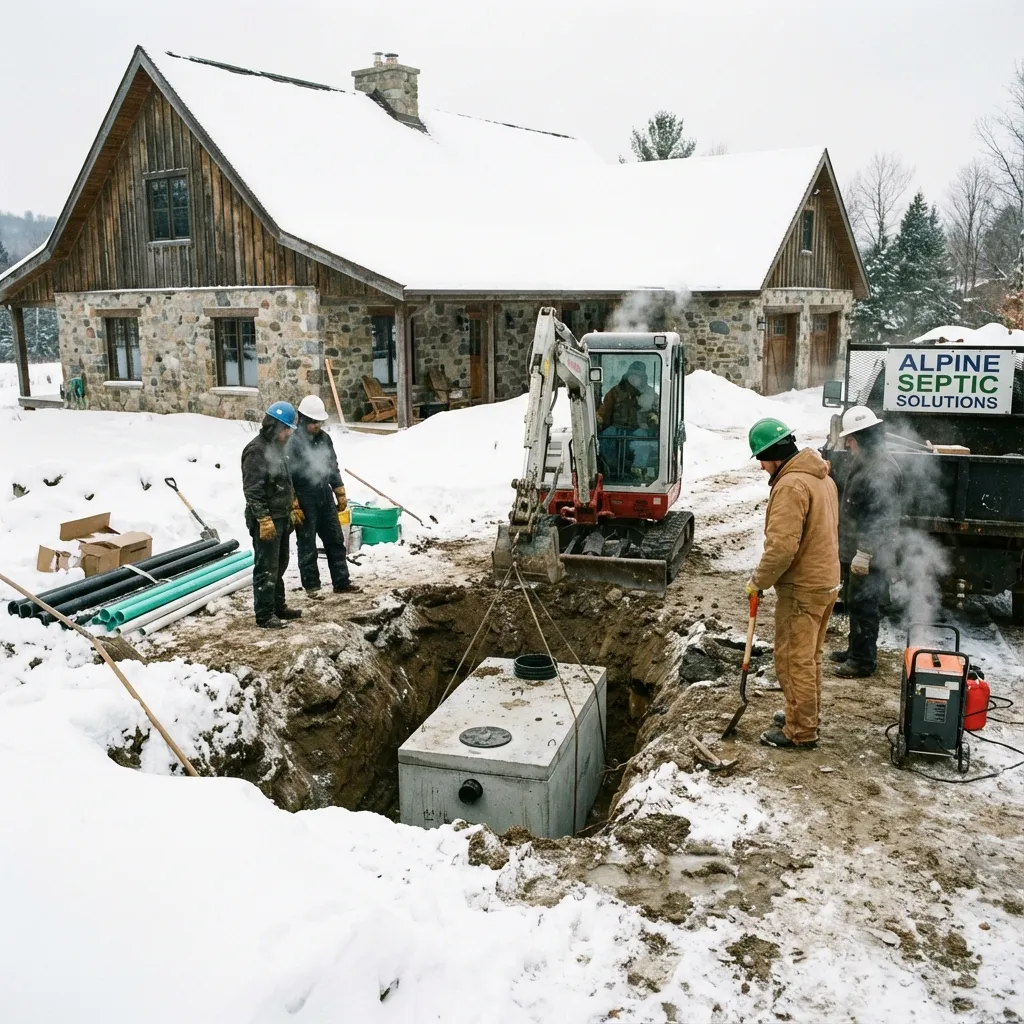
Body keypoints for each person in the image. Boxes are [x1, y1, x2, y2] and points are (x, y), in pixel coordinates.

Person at [746, 417, 840, 749]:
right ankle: (800, 714)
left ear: (774, 454)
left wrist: (758, 582)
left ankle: (800, 730)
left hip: (802, 587)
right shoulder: (822, 478)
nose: (761, 467)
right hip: (825, 582)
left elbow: (782, 547)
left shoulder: (791, 485)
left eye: (761, 458)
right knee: (809, 657)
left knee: (792, 658)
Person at [832, 405, 903, 678]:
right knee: (854, 600)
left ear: (861, 437)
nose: (847, 443)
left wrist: (865, 551)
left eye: (849, 438)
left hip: (871, 552)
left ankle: (862, 661)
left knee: (864, 604)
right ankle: (855, 650)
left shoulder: (880, 467)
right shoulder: (868, 459)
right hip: (858, 549)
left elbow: (881, 516)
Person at [286, 394, 359, 596]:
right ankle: (312, 585)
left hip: (324, 493)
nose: (317, 426)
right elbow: (287, 476)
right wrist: (294, 503)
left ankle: (342, 581)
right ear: (302, 420)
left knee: (335, 539)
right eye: (313, 422)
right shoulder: (292, 443)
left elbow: (332, 465)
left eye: (319, 422)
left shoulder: (325, 439)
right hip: (304, 495)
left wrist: (339, 491)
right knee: (307, 543)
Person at [241, 401, 305, 629]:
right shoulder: (256, 451)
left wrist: (294, 503)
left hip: (282, 517)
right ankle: (265, 614)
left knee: (281, 564)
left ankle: (278, 606)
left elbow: (285, 480)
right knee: (266, 567)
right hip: (266, 520)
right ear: (276, 426)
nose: (289, 432)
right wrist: (264, 519)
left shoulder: (279, 448)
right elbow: (253, 490)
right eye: (287, 428)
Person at [596, 361, 659, 481]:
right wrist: (600, 417)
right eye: (632, 376)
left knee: (642, 442)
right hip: (617, 427)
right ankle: (609, 467)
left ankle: (638, 468)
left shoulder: (649, 393)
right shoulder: (616, 391)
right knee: (605, 438)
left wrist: (655, 416)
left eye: (637, 376)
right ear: (627, 376)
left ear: (643, 378)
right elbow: (606, 408)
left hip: (639, 428)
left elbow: (658, 408)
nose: (634, 379)